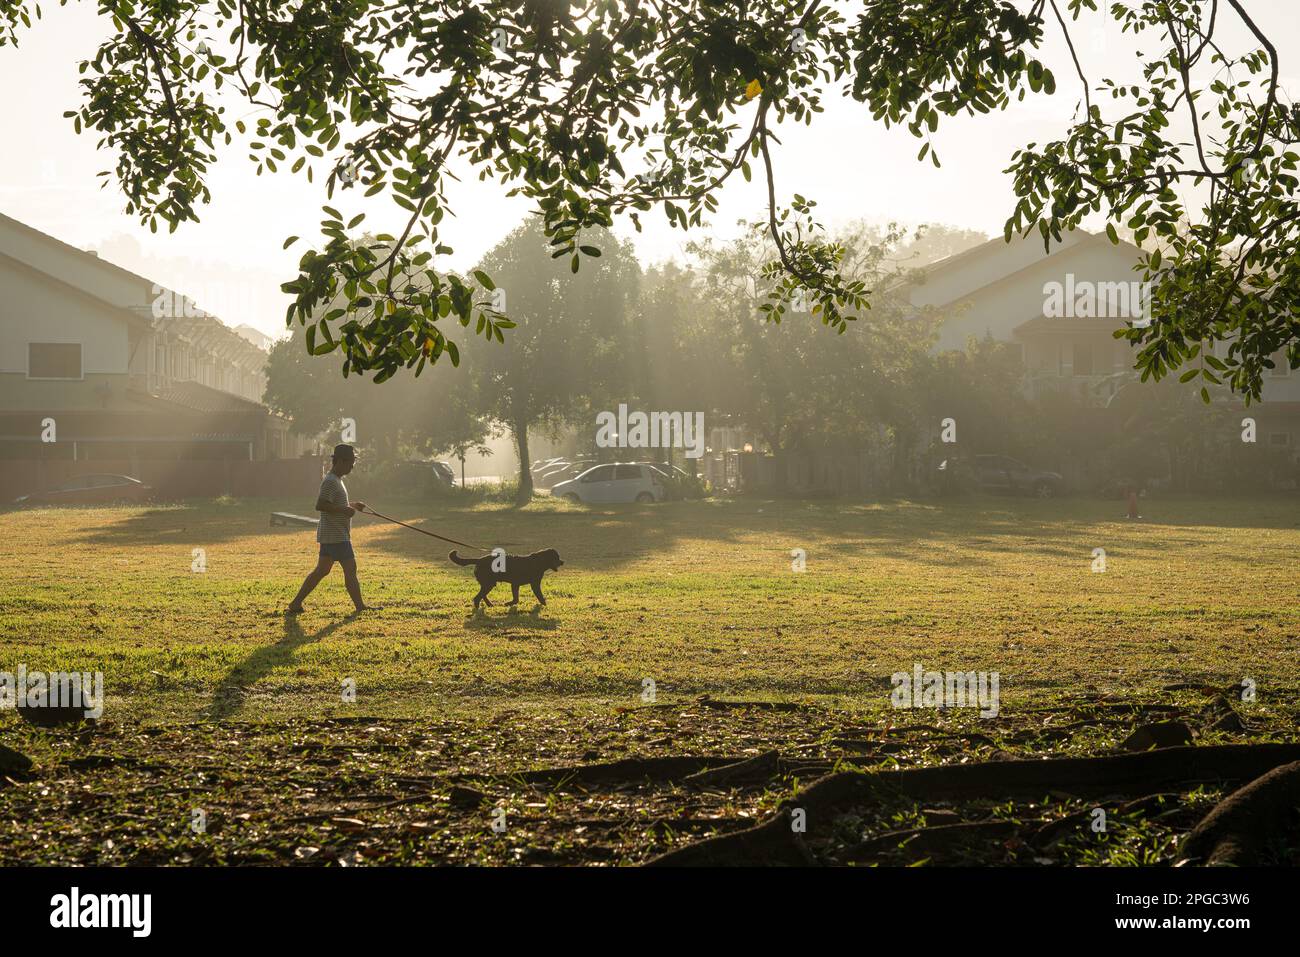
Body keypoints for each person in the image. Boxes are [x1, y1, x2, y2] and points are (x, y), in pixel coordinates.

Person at [286, 444, 377, 615]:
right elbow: (320, 505)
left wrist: (353, 505)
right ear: (341, 461)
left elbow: (334, 504)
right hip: (336, 535)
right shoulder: (329, 481)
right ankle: (360, 607)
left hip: (331, 534)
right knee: (350, 570)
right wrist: (344, 510)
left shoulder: (337, 481)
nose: (352, 466)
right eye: (351, 463)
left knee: (322, 570)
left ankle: (295, 603)